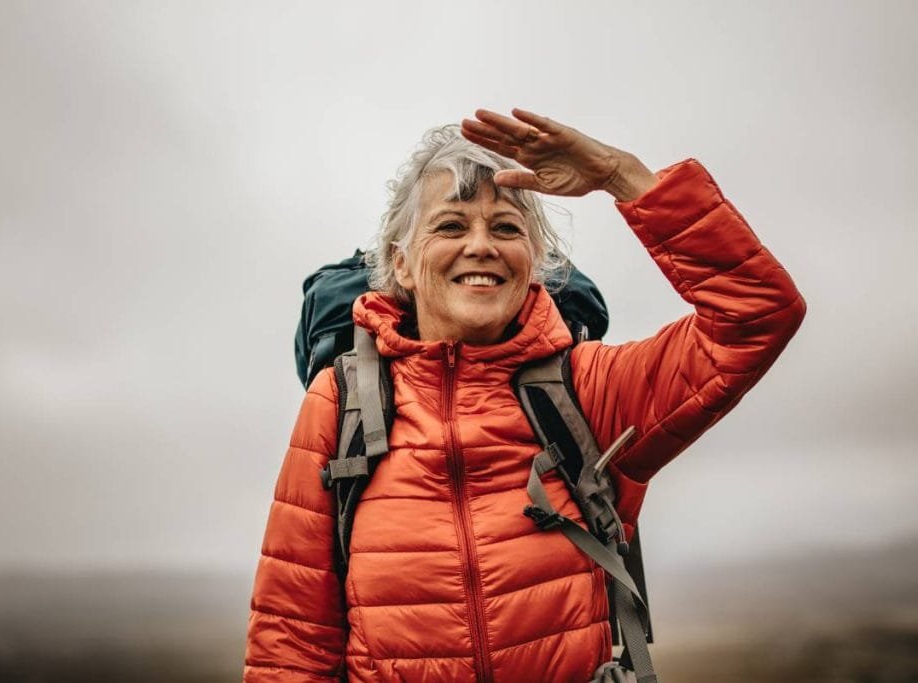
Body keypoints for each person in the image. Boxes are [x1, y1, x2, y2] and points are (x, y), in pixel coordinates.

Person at [242, 109, 806, 682]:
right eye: (452, 226)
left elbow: (757, 315)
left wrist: (621, 175)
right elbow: (291, 641)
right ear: (401, 264)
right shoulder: (342, 401)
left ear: (534, 264)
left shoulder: (588, 389)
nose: (482, 246)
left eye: (507, 228)